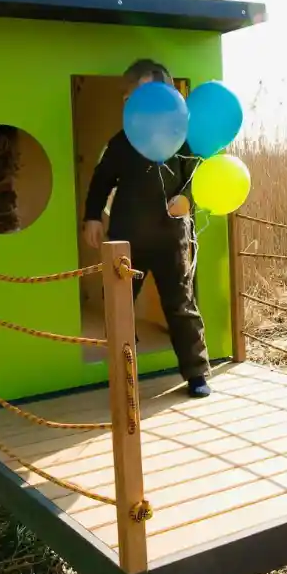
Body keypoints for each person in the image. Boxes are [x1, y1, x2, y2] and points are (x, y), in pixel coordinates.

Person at [81, 59, 210, 397]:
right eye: (129, 98)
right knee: (118, 305)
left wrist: (187, 199)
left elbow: (199, 178)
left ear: (167, 96)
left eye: (144, 94)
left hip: (171, 238)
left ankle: (196, 373)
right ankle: (123, 370)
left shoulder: (183, 140)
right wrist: (92, 216)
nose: (136, 103)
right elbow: (101, 180)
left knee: (181, 305)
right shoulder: (122, 142)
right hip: (128, 238)